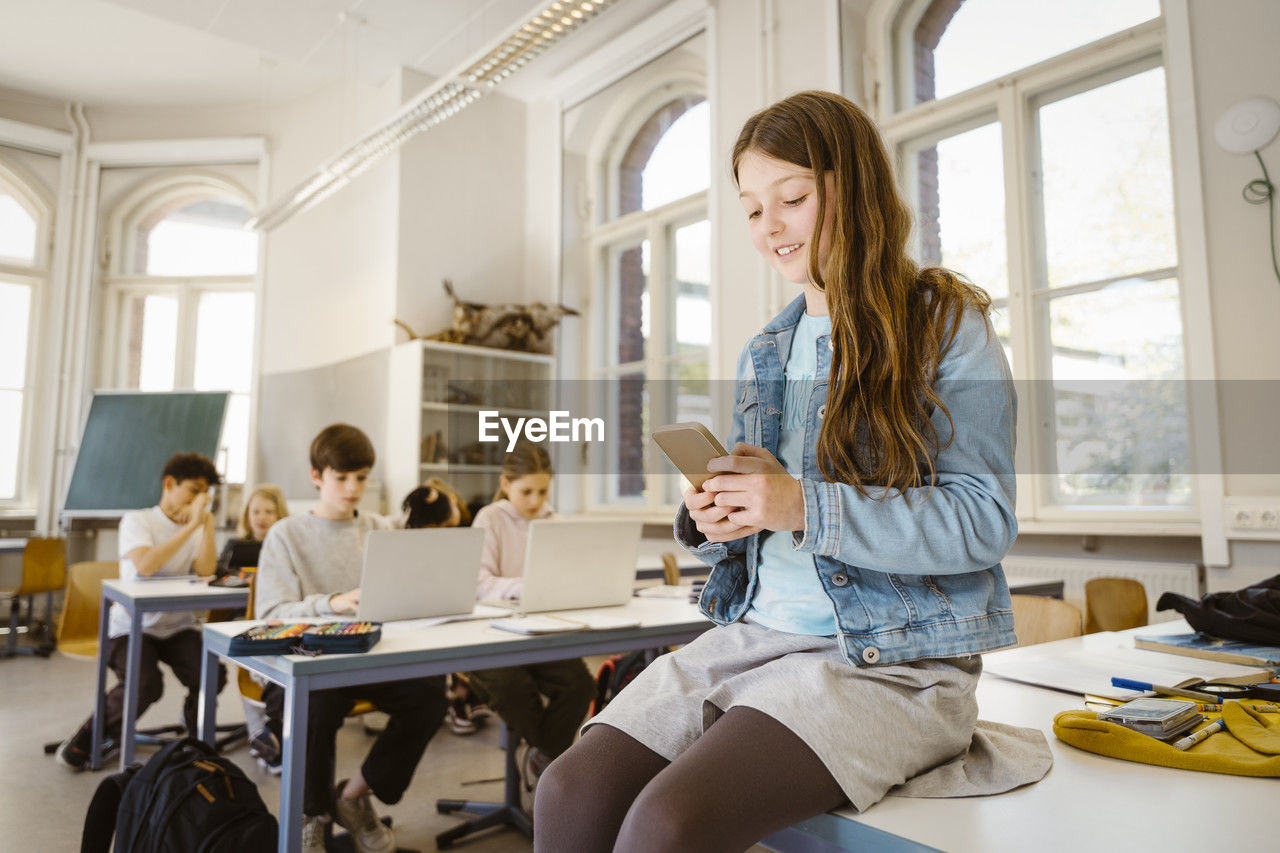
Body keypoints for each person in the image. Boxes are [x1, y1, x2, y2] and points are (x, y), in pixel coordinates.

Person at [535, 91, 1039, 852]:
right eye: (749, 209)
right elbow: (758, 525)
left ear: (852, 187)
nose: (768, 226)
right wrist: (721, 512)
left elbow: (982, 521)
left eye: (793, 198)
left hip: (891, 664)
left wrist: (801, 501)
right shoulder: (766, 351)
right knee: (568, 790)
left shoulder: (943, 324)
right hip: (754, 640)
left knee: (665, 825)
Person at [254, 424, 449, 853]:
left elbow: (405, 590)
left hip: (370, 658)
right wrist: (334, 602)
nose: (352, 488)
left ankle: (352, 797)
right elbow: (269, 615)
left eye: (360, 478)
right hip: (307, 662)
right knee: (314, 705)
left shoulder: (380, 528)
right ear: (316, 476)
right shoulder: (286, 535)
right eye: (341, 478)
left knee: (432, 695)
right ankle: (313, 816)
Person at [57, 452, 228, 770]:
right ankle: (87, 738)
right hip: (128, 626)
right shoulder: (138, 521)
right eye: (193, 490)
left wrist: (204, 525)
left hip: (175, 626)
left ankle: (196, 733)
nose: (199, 501)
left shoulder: (197, 524)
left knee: (210, 673)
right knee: (145, 684)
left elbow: (206, 568)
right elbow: (146, 565)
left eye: (205, 494)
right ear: (169, 484)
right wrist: (190, 528)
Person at [468, 442, 595, 809]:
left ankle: (545, 756)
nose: (536, 500)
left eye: (543, 491)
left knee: (579, 684)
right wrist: (530, 586)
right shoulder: (489, 519)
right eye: (527, 491)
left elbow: (569, 574)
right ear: (505, 484)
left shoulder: (554, 522)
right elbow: (479, 583)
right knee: (512, 687)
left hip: (540, 633)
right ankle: (554, 758)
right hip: (488, 636)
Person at [398, 478, 490, 735]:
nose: (452, 534)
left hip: (447, 614)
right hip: (415, 624)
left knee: (472, 630)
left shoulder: (450, 550)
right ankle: (459, 698)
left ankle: (465, 693)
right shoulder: (405, 548)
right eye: (447, 527)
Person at [216, 483, 289, 576]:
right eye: (256, 512)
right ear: (247, 515)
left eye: (269, 512)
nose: (262, 517)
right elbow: (219, 570)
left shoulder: (287, 546)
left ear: (280, 514)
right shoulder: (234, 544)